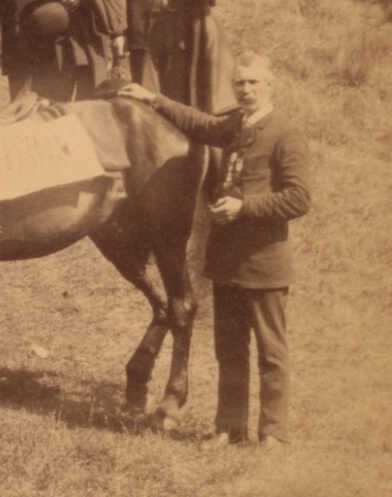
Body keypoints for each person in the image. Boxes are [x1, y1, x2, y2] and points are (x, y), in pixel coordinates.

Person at [120, 55, 307, 446]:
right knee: (229, 350)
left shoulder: (285, 133)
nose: (246, 90)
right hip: (227, 262)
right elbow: (201, 124)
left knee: (271, 353)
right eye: (240, 83)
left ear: (270, 86)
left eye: (254, 83)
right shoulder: (236, 125)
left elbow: (299, 198)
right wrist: (153, 98)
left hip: (265, 261)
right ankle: (229, 429)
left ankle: (273, 435)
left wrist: (245, 206)